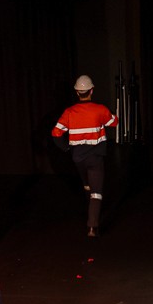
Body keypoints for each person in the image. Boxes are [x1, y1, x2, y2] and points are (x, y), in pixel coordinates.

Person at [51, 75, 118, 235]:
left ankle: (90, 205)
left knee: (87, 185)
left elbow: (55, 133)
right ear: (91, 91)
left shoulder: (69, 112)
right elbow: (114, 123)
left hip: (77, 158)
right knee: (96, 192)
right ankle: (92, 226)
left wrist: (66, 148)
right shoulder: (100, 109)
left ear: (77, 92)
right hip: (95, 158)